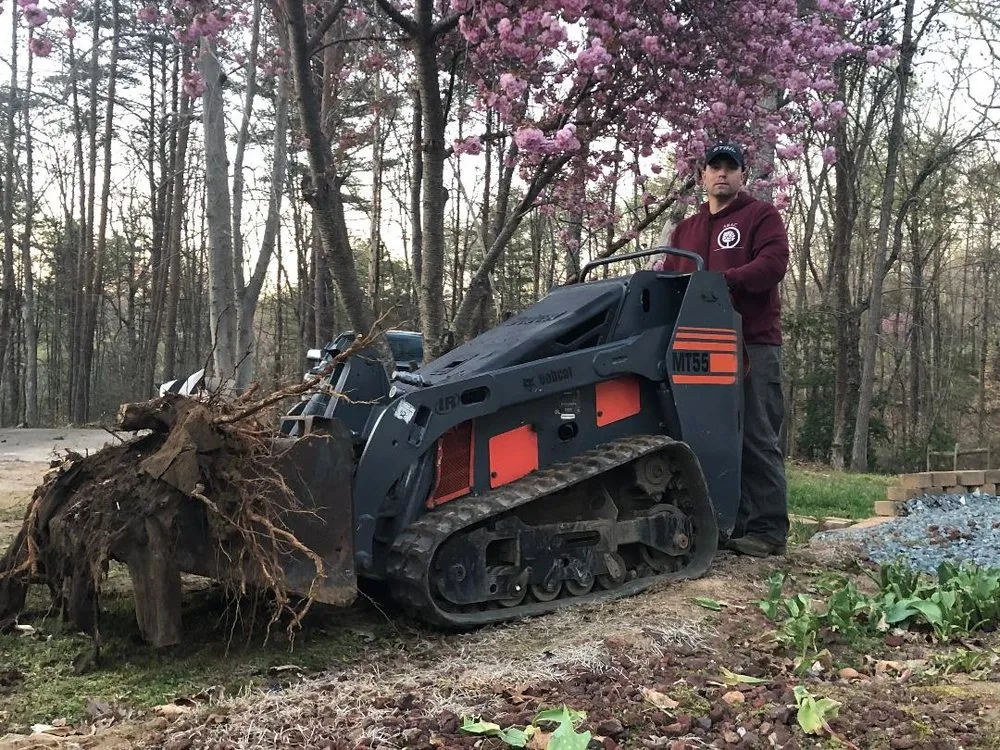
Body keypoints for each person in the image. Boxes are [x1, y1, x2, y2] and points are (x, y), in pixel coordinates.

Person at [654, 141, 789, 557]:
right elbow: (670, 283)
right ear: (702, 177)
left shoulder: (760, 216)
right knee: (708, 434)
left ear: (743, 176)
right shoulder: (686, 231)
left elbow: (772, 265)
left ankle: (768, 530)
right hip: (696, 347)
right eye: (715, 167)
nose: (722, 174)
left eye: (731, 168)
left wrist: (721, 283)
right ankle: (729, 525)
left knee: (756, 433)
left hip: (751, 341)